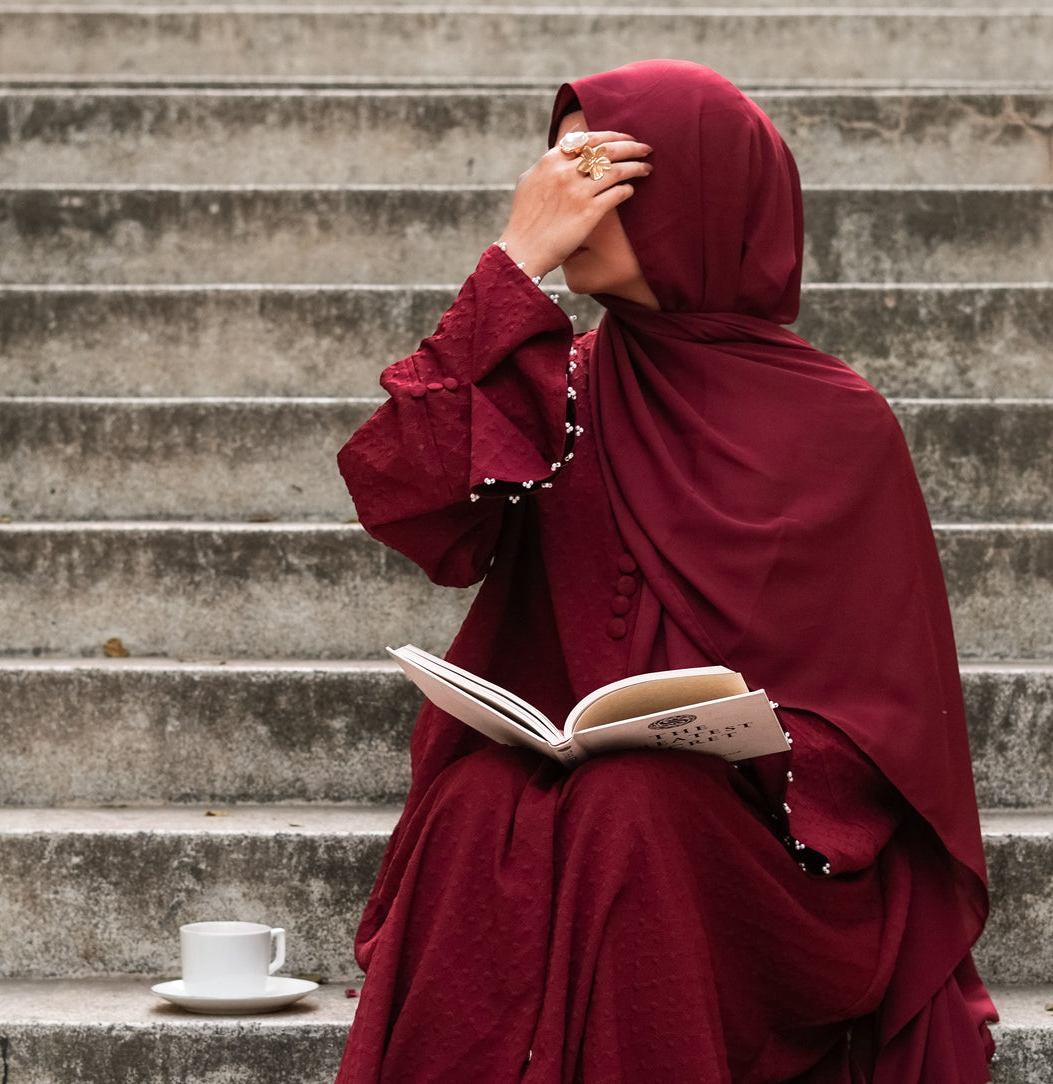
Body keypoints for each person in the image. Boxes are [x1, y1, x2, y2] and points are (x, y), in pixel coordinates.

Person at [334, 59, 997, 1084]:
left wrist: (740, 751)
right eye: (556, 157)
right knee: (474, 816)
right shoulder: (556, 383)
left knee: (635, 803)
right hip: (579, 806)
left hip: (767, 857)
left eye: (596, 159)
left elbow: (886, 732)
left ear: (694, 193)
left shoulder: (838, 421)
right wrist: (510, 267)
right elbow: (406, 502)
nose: (560, 182)